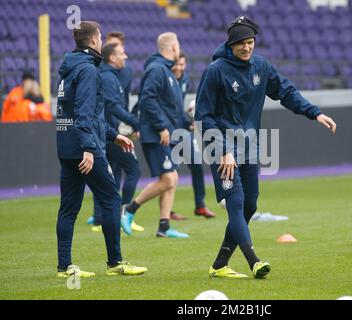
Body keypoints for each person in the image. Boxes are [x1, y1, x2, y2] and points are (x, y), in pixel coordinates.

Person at [195, 16, 337, 279]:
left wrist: (314, 113)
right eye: (241, 44)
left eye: (250, 42)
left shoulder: (261, 66)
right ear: (230, 44)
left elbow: (286, 91)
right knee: (236, 203)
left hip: (249, 148)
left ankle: (219, 265)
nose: (247, 48)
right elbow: (204, 116)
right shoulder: (215, 71)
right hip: (222, 149)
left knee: (250, 206)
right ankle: (254, 261)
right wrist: (223, 150)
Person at [55, 20, 147, 277]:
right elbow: (85, 113)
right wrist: (88, 148)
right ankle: (115, 263)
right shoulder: (88, 70)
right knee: (111, 198)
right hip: (86, 147)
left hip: (66, 146)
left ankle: (64, 267)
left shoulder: (68, 68)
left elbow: (83, 114)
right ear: (94, 40)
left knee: (68, 208)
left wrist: (113, 134)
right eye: (100, 37)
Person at [121, 32, 189, 238]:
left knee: (172, 178)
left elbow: (169, 108)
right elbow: (147, 100)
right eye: (178, 45)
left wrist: (187, 123)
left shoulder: (166, 71)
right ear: (173, 47)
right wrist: (161, 127)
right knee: (168, 179)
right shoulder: (157, 70)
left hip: (164, 134)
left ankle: (164, 227)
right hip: (156, 135)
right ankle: (129, 209)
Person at [86, 42, 144, 233]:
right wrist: (135, 123)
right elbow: (113, 108)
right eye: (121, 53)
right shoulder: (109, 78)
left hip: (108, 133)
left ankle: (102, 218)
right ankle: (124, 213)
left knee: (112, 174)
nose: (125, 56)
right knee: (133, 169)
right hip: (110, 134)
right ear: (112, 57)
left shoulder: (112, 76)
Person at [171, 52, 216, 219]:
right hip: (168, 131)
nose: (178, 67)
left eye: (181, 64)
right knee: (170, 172)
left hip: (181, 130)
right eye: (175, 64)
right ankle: (167, 212)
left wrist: (188, 122)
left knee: (197, 165)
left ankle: (200, 206)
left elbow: (177, 107)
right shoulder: (164, 78)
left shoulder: (184, 80)